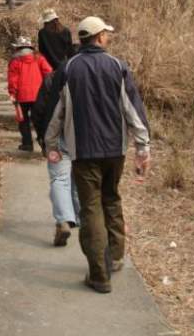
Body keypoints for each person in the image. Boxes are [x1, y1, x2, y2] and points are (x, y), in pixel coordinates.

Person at [45, 16, 151, 293]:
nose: (108, 37)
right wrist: (143, 147)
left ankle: (99, 274)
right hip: (115, 150)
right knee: (112, 199)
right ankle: (114, 258)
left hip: (83, 151)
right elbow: (132, 110)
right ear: (99, 37)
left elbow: (58, 111)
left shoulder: (69, 68)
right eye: (106, 33)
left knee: (91, 207)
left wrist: (51, 143)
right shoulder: (117, 66)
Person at [33, 60, 80, 247]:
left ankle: (63, 221)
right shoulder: (86, 78)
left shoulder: (51, 79)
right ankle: (77, 217)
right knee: (77, 180)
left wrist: (42, 138)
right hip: (83, 138)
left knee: (59, 179)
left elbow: (38, 110)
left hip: (57, 137)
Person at [7, 36, 52, 151]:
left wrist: (12, 93)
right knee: (40, 119)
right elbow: (49, 74)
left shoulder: (15, 61)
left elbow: (13, 79)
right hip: (39, 95)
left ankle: (27, 144)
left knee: (23, 120)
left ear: (18, 48)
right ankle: (44, 144)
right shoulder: (39, 58)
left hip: (21, 96)